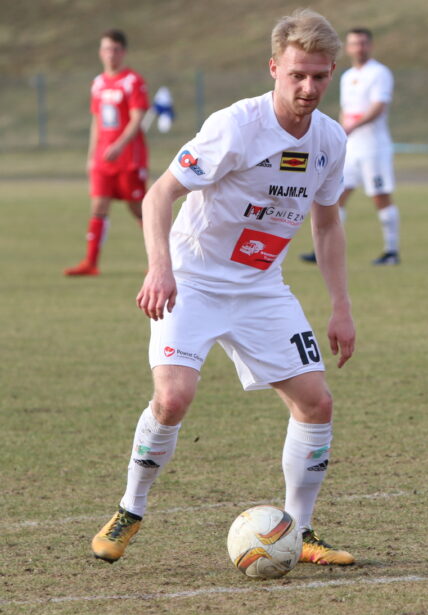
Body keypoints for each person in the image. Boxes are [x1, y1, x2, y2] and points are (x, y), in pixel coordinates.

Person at [91, 9, 357, 567]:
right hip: (191, 280)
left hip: (261, 288)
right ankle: (130, 509)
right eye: (297, 75)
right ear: (274, 69)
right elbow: (159, 194)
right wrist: (159, 268)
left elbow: (327, 223)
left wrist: (341, 307)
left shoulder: (331, 140)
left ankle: (302, 530)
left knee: (317, 402)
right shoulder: (236, 126)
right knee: (173, 397)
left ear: (332, 72)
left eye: (320, 76)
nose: (308, 88)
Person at [301, 27, 400, 266]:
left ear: (371, 45)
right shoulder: (346, 76)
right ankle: (322, 249)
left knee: (380, 196)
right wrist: (340, 131)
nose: (359, 48)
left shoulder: (379, 73)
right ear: (348, 47)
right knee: (335, 197)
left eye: (363, 43)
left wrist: (353, 127)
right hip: (351, 148)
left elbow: (379, 107)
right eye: (354, 44)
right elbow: (345, 109)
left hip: (373, 147)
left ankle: (391, 251)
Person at [64, 29, 149, 277]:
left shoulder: (132, 81)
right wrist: (92, 155)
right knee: (98, 207)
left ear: (123, 52)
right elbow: (96, 122)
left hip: (128, 159)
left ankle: (163, 258)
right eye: (106, 49)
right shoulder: (98, 83)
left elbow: (137, 118)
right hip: (103, 159)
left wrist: (120, 145)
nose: (110, 54)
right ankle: (90, 263)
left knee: (140, 209)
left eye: (115, 49)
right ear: (100, 52)